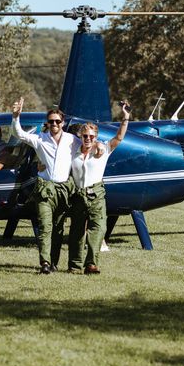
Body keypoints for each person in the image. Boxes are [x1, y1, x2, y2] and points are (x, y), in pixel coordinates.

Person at [11, 97, 103, 274]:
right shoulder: (40, 139)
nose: (54, 124)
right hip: (45, 188)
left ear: (63, 123)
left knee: (58, 228)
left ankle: (53, 262)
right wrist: (16, 116)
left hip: (64, 190)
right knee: (45, 226)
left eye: (57, 121)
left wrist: (98, 144)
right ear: (47, 123)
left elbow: (88, 144)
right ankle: (45, 263)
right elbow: (19, 134)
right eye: (51, 121)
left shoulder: (72, 140)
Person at [67, 101, 131, 274]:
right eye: (85, 136)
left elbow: (119, 138)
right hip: (79, 194)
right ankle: (74, 265)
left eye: (91, 137)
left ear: (96, 137)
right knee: (76, 231)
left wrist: (125, 118)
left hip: (96, 194)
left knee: (99, 228)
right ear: (80, 136)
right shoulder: (73, 150)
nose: (88, 139)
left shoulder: (103, 149)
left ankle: (91, 264)